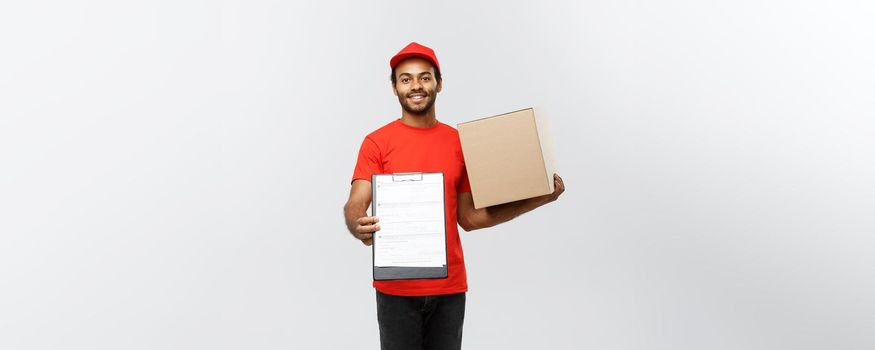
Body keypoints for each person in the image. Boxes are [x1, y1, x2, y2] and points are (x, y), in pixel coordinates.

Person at [343, 42, 565, 350]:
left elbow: (470, 217)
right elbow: (357, 200)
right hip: (395, 290)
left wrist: (539, 197)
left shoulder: (459, 142)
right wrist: (356, 223)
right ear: (394, 88)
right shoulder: (376, 143)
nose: (416, 85)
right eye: (405, 79)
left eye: (425, 77)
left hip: (450, 289)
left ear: (439, 83)